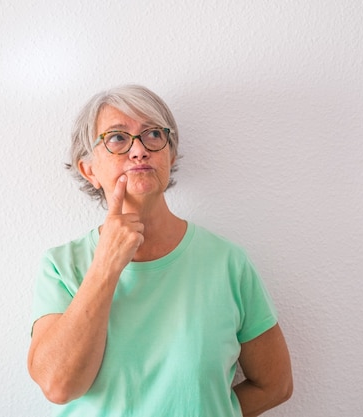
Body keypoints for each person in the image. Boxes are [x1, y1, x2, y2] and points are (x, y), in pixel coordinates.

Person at [27, 85, 293, 416]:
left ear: (170, 154)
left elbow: (275, 385)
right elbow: (58, 386)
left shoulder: (227, 263)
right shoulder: (61, 266)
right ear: (89, 170)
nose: (138, 150)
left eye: (153, 134)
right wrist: (105, 267)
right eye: (117, 138)